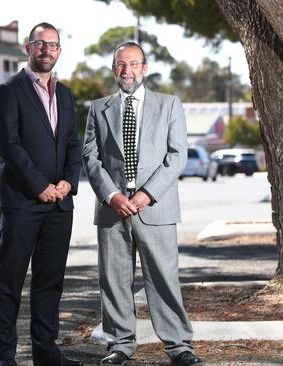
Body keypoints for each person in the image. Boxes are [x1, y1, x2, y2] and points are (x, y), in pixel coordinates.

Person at [82, 41, 203, 366]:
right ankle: (120, 345)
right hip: (113, 208)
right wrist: (113, 195)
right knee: (114, 279)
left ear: (145, 68)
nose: (127, 70)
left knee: (164, 277)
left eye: (134, 64)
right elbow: (90, 158)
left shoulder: (169, 104)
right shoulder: (98, 108)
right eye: (121, 64)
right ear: (114, 69)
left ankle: (179, 346)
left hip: (156, 206)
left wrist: (145, 194)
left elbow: (177, 156)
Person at [0, 22, 82, 366]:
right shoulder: (8, 90)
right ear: (28, 49)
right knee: (10, 280)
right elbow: (8, 145)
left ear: (59, 51)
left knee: (50, 282)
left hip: (60, 202)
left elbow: (73, 143)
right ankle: (3, 357)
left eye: (52, 45)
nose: (46, 49)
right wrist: (39, 186)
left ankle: (46, 352)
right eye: (39, 43)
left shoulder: (66, 93)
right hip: (22, 200)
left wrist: (68, 183)